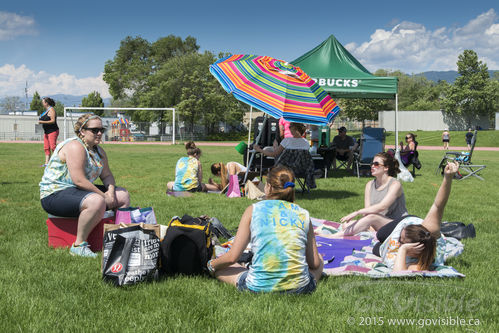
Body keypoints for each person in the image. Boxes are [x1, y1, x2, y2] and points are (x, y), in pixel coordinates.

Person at [207, 166, 323, 293]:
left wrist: (212, 265)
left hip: (258, 287)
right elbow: (315, 264)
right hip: (299, 288)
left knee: (222, 267)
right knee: (320, 260)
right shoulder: (303, 214)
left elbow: (232, 257)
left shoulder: (253, 210)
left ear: (268, 187)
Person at [39, 114, 130, 258]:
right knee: (96, 201)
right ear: (82, 131)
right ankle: (79, 245)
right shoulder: (75, 146)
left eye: (101, 129)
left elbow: (107, 176)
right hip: (55, 194)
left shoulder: (99, 151)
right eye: (94, 130)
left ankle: (120, 238)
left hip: (77, 191)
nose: (99, 133)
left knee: (123, 195)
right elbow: (79, 180)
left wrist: (111, 192)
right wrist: (103, 196)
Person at [374, 161, 460, 272]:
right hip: (407, 222)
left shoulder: (421, 262)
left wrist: (402, 249)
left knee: (376, 248)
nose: (398, 242)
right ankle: (401, 229)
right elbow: (438, 205)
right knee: (380, 234)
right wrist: (448, 178)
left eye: (402, 241)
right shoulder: (430, 229)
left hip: (408, 234)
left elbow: (399, 273)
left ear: (415, 249)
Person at [330, 152, 408, 238]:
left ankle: (334, 236)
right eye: (372, 163)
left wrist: (357, 212)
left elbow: (382, 206)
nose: (372, 166)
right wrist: (365, 222)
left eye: (376, 164)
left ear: (386, 168)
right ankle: (370, 229)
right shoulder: (369, 184)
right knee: (346, 225)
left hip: (396, 224)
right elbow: (367, 211)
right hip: (377, 221)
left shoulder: (395, 184)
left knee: (371, 217)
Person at [38, 97, 59, 166]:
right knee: (46, 147)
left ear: (46, 103)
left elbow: (53, 121)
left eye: (43, 102)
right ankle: (47, 163)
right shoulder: (46, 111)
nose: (42, 103)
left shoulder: (52, 110)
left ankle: (60, 160)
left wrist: (42, 122)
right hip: (46, 132)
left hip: (52, 131)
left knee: (53, 147)